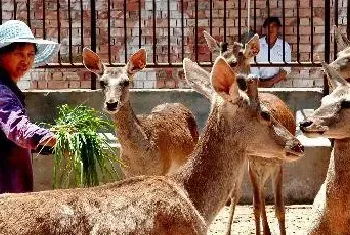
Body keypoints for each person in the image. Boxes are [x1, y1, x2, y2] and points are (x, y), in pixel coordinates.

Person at [0, 20, 60, 193]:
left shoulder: (9, 88)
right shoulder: (2, 91)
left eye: (30, 54)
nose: (25, 60)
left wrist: (45, 144)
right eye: (18, 54)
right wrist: (54, 138)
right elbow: (17, 128)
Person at [250, 16, 292, 88]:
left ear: (278, 28)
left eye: (274, 26)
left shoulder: (285, 46)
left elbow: (286, 69)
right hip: (258, 83)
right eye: (268, 26)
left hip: (277, 84)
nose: (271, 29)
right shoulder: (257, 44)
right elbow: (252, 65)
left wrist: (271, 82)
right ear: (265, 29)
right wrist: (259, 83)